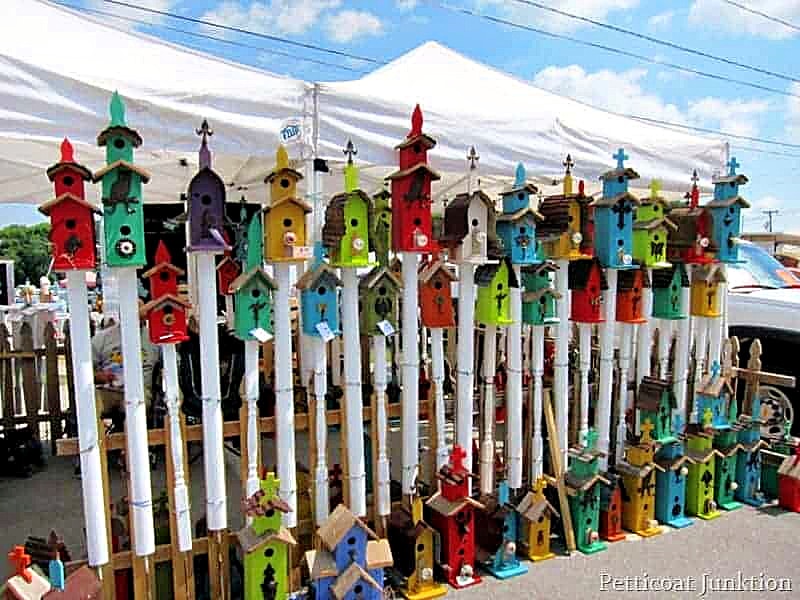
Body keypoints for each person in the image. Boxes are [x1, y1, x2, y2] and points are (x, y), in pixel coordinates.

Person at [92, 299, 161, 415]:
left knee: (133, 403)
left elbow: (170, 366)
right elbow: (86, 371)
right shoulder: (101, 338)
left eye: (140, 313)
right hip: (109, 390)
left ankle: (132, 426)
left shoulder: (154, 339)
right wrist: (99, 376)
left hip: (140, 391)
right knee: (92, 402)